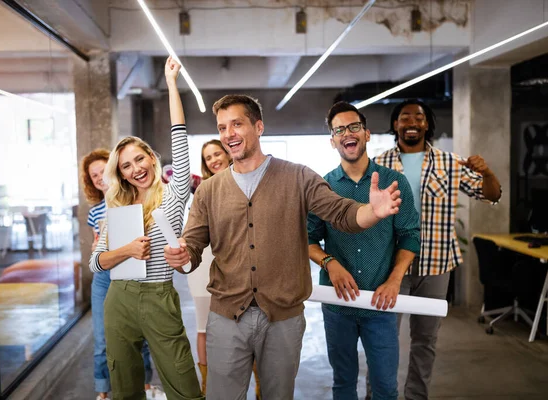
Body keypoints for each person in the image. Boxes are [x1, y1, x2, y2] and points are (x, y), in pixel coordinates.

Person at [164, 94, 403, 400]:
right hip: (226, 318)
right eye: (222, 127)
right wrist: (181, 256)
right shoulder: (209, 191)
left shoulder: (298, 177)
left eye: (237, 124)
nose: (228, 134)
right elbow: (192, 247)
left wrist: (372, 212)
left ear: (259, 126)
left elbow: (341, 213)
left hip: (283, 319)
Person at [89, 57, 203, 400]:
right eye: (126, 166)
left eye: (140, 159)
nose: (136, 168)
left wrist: (171, 83)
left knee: (182, 381)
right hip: (118, 299)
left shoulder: (173, 194)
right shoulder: (118, 207)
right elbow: (97, 262)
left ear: (152, 158)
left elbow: (180, 140)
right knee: (124, 384)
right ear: (121, 174)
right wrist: (126, 250)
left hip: (158, 295)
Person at [373, 99, 502, 400]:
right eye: (405, 117)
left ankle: (416, 396)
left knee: (425, 340)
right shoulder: (378, 165)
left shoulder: (450, 163)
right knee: (382, 339)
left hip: (437, 265)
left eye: (419, 118)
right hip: (390, 268)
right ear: (396, 125)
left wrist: (487, 173)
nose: (412, 123)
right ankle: (379, 394)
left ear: (427, 124)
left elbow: (491, 196)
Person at [307, 102, 420, 400]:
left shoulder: (395, 183)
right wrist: (329, 263)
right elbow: (306, 240)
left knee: (385, 387)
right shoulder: (323, 187)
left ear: (367, 134)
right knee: (343, 384)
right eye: (339, 129)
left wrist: (395, 280)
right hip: (337, 305)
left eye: (354, 126)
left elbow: (410, 236)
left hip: (380, 305)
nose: (348, 132)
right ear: (333, 141)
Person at [81, 149, 166, 400]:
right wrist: (97, 247)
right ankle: (102, 392)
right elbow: (97, 245)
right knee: (101, 339)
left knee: (139, 336)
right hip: (104, 276)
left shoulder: (132, 200)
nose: (99, 178)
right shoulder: (95, 210)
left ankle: (146, 385)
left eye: (101, 171)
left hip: (131, 271)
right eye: (93, 175)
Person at [188, 139, 262, 398]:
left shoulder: (247, 183)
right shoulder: (204, 191)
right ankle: (208, 386)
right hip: (204, 266)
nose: (213, 160)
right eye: (207, 157)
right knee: (203, 326)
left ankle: (260, 386)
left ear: (227, 153)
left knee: (248, 325)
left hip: (239, 266)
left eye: (216, 153)